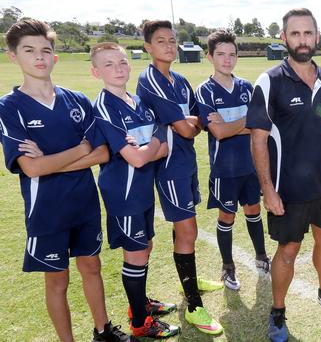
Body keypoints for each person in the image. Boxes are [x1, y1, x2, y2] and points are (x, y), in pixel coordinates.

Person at [0, 19, 134, 341]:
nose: (39, 57)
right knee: (57, 281)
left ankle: (103, 331)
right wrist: (78, 149)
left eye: (45, 50)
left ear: (54, 57)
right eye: (29, 51)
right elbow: (31, 170)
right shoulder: (9, 108)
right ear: (13, 56)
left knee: (92, 268)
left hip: (85, 203)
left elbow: (102, 153)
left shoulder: (76, 99)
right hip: (47, 211)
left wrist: (48, 162)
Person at [246, 8, 321, 342]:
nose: (302, 40)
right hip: (287, 187)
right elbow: (258, 139)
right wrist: (268, 188)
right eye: (295, 34)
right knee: (289, 249)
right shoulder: (270, 81)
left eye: (308, 33)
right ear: (283, 38)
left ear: (317, 36)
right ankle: (277, 311)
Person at [136, 20, 223, 335]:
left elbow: (197, 120)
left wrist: (187, 122)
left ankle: (190, 277)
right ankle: (194, 305)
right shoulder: (150, 80)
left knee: (184, 229)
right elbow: (189, 128)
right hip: (168, 167)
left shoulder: (182, 81)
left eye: (172, 40)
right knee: (188, 230)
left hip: (186, 162)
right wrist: (187, 122)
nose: (169, 46)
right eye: (161, 41)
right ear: (148, 46)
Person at [90, 42, 179, 338]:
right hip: (123, 195)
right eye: (109, 64)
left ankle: (140, 304)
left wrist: (147, 147)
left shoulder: (137, 100)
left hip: (142, 190)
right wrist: (151, 145)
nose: (118, 69)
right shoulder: (104, 105)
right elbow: (140, 156)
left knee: (145, 247)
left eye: (122, 62)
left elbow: (161, 148)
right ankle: (140, 323)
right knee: (136, 254)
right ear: (95, 71)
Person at [195, 28, 271, 291]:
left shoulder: (245, 87)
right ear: (210, 57)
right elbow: (219, 132)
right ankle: (228, 266)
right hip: (224, 169)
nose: (227, 59)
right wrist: (244, 122)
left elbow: (259, 125)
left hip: (250, 165)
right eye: (221, 54)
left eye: (231, 54)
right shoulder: (204, 91)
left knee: (253, 211)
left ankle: (261, 255)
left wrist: (231, 124)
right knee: (227, 216)